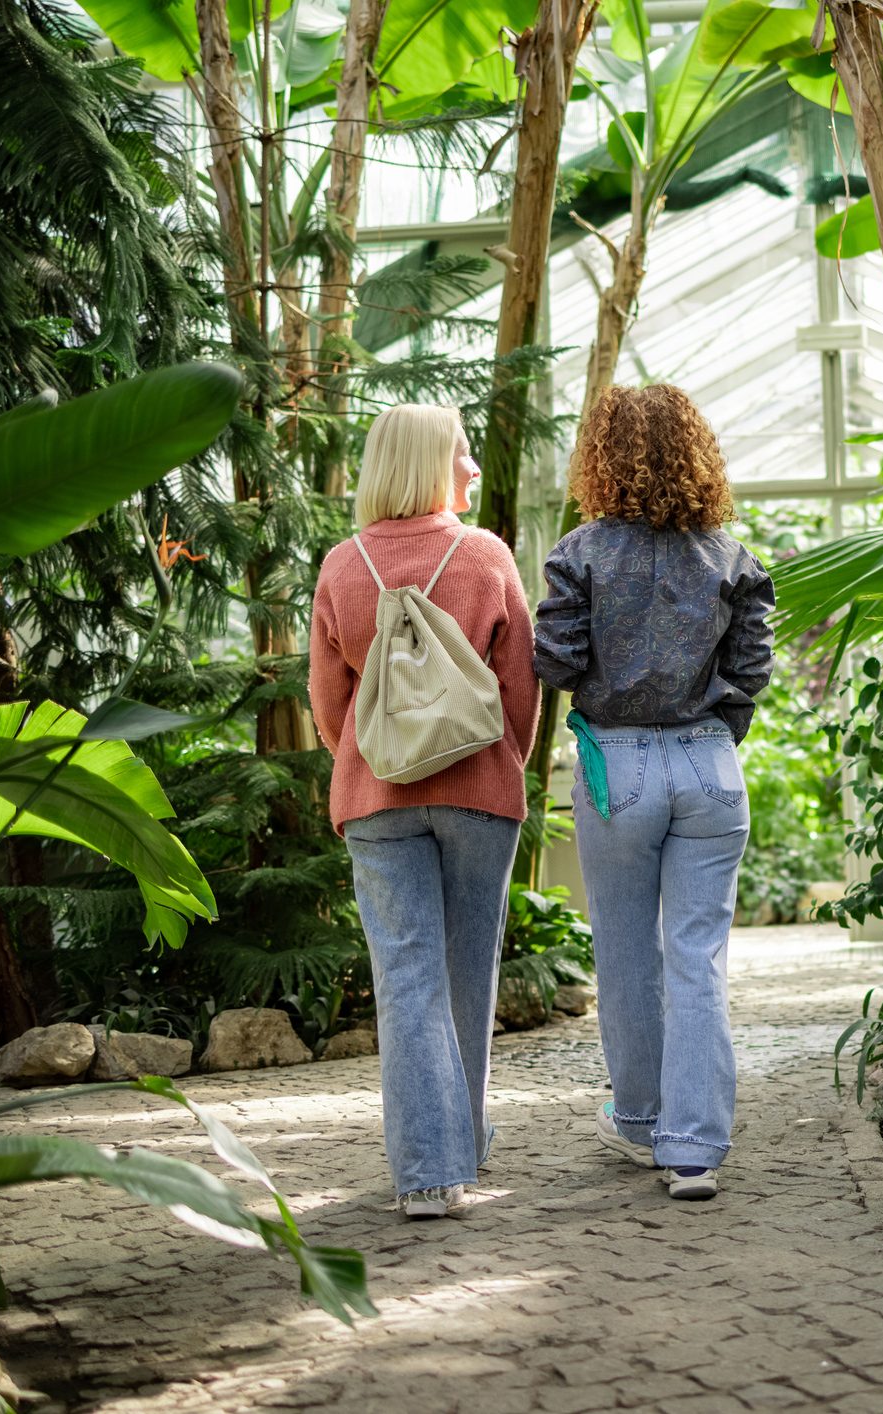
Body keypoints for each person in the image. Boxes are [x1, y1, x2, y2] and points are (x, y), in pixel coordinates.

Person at [532, 384, 775, 1201]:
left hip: (619, 768)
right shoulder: (733, 558)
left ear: (600, 457)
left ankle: (638, 1122)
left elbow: (557, 662)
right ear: (697, 455)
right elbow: (750, 671)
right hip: (711, 766)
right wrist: (711, 727)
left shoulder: (578, 553)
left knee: (628, 953)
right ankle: (695, 1150)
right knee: (697, 959)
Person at [309, 403, 538, 1220]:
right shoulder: (485, 556)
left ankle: (430, 1170)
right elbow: (518, 692)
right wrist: (494, 761)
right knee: (466, 972)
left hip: (376, 800)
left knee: (406, 979)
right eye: (463, 453)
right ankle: (455, 1152)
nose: (473, 468)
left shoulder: (342, 566)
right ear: (429, 463)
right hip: (479, 793)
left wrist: (378, 761)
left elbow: (330, 706)